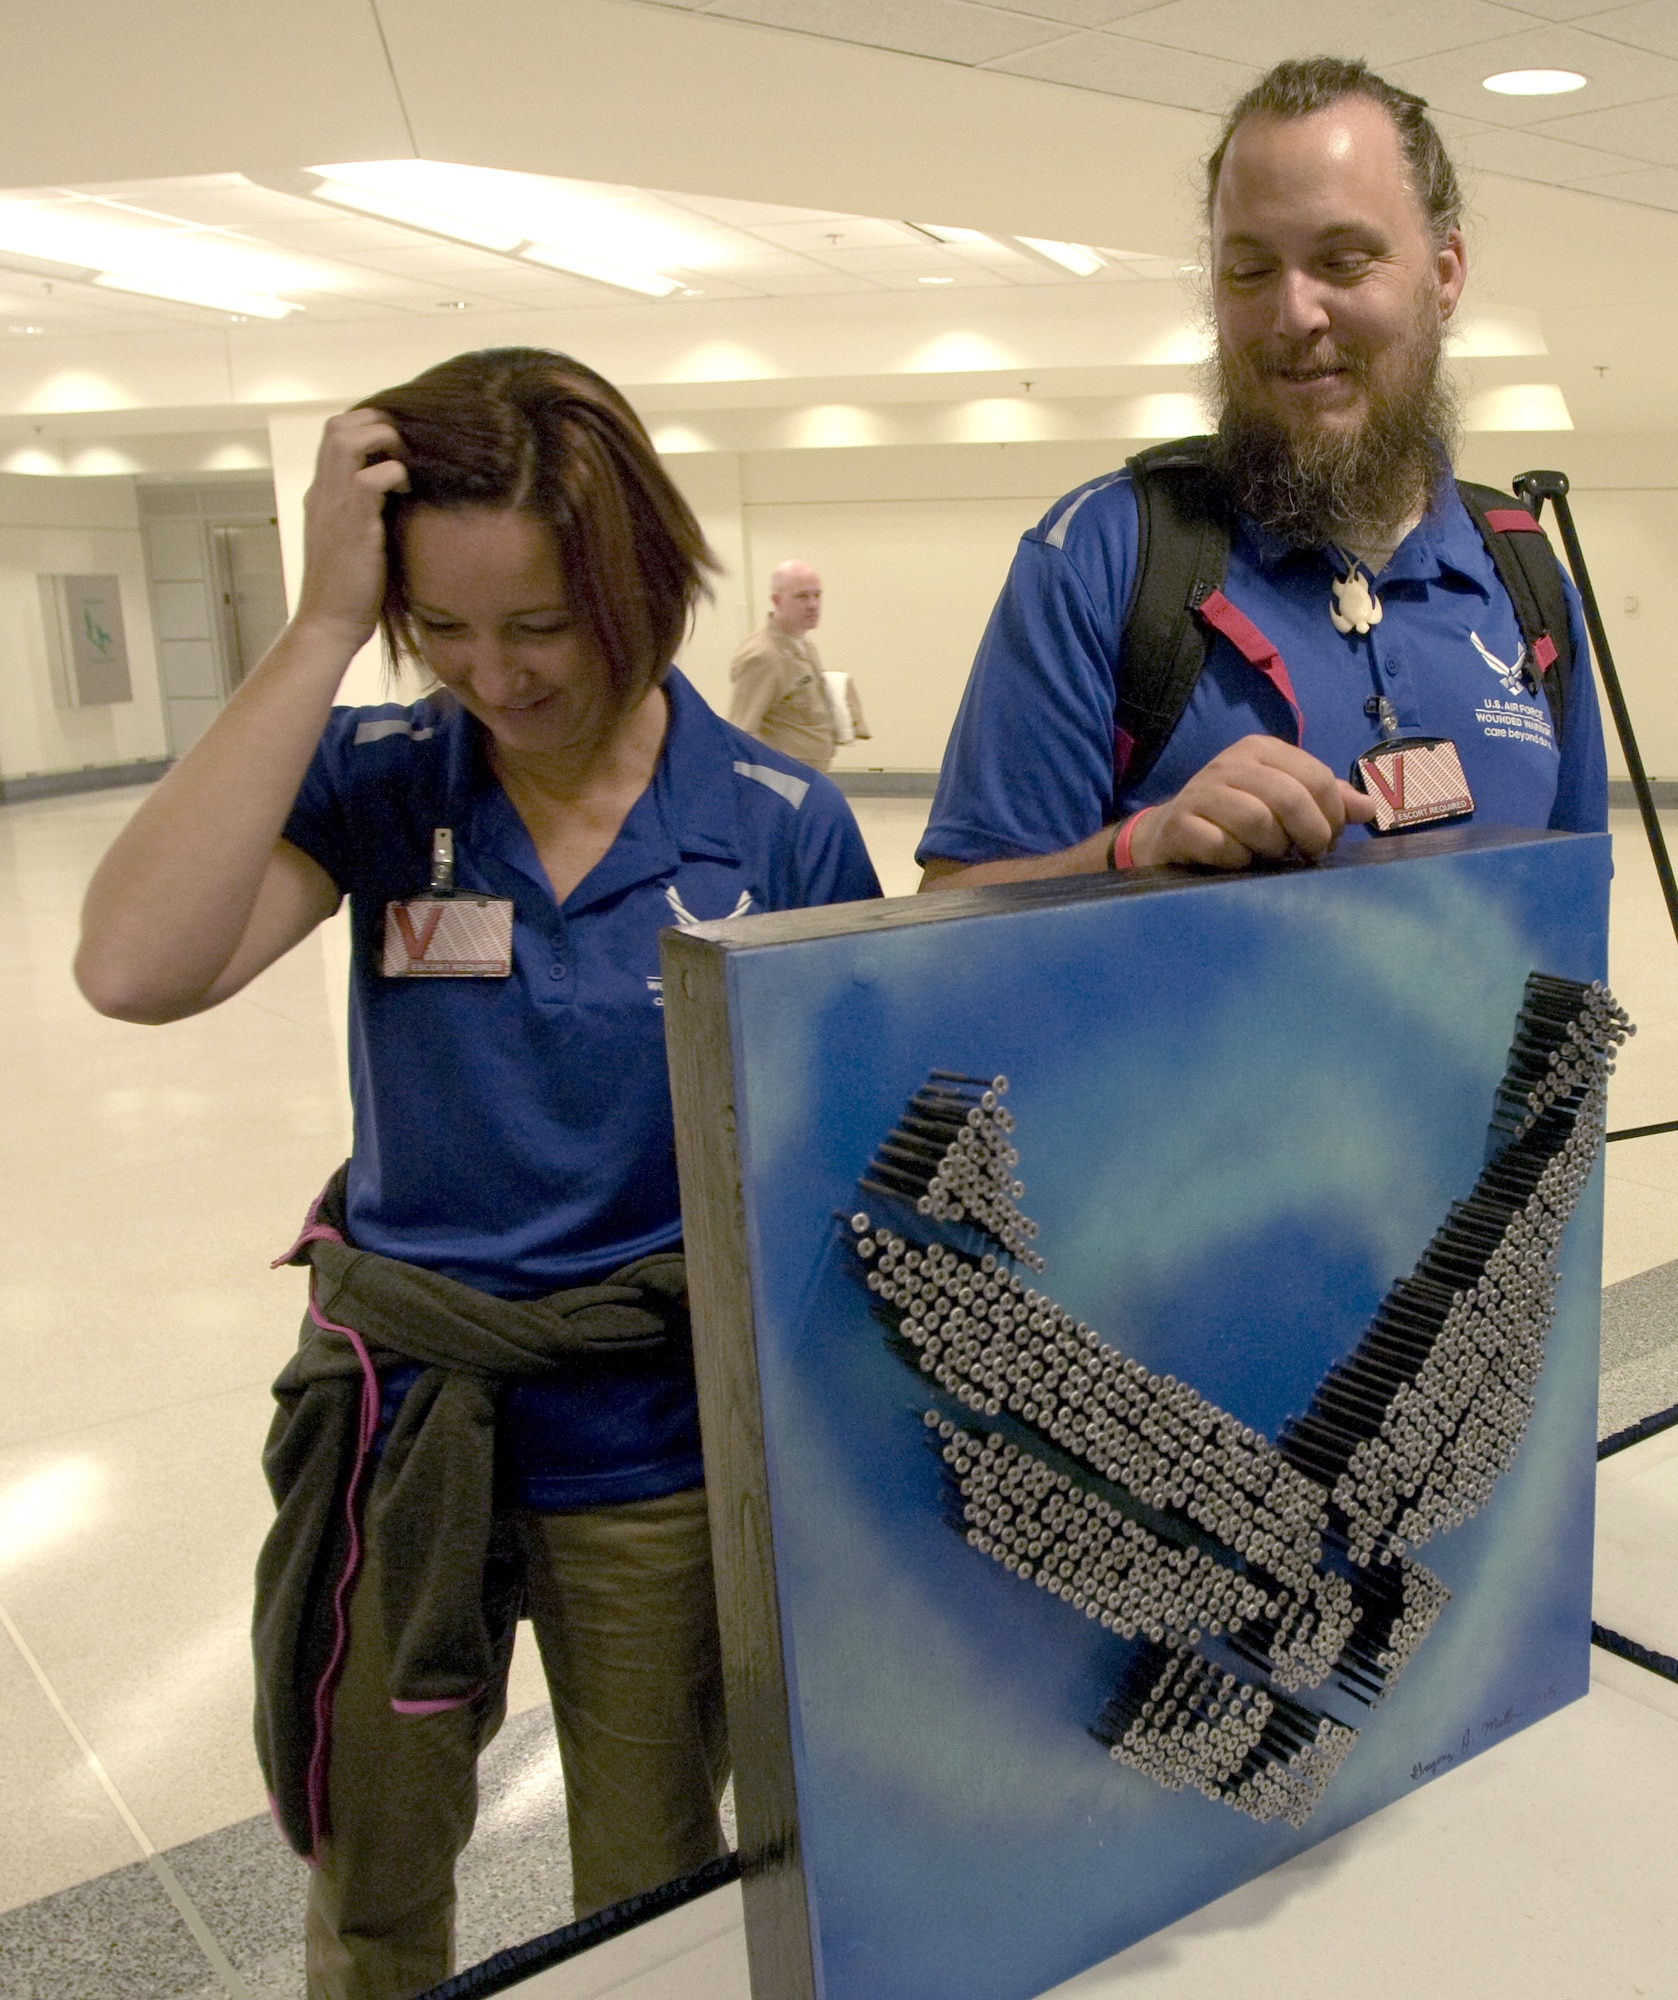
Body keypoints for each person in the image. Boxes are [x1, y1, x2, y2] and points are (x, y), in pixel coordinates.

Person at [74, 347, 880, 2000]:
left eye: (538, 626)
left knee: (647, 1885)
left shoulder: (775, 821)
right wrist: (315, 631)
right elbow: (135, 967)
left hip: (646, 1440)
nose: (491, 679)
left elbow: (841, 1169)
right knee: (370, 1873)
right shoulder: (386, 783)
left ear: (639, 586)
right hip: (404, 1423)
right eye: (439, 628)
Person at [917, 56, 1606, 890]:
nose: (1294, 315)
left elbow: (1569, 920)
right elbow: (949, 918)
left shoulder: (1520, 574)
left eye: (1345, 260)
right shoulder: (1104, 560)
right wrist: (1138, 846)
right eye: (1250, 270)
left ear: (1446, 272)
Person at [728, 558, 869, 771]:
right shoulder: (763, 656)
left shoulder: (802, 643)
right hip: (787, 783)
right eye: (802, 596)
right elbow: (741, 733)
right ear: (777, 600)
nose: (813, 604)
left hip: (810, 775)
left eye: (817, 595)